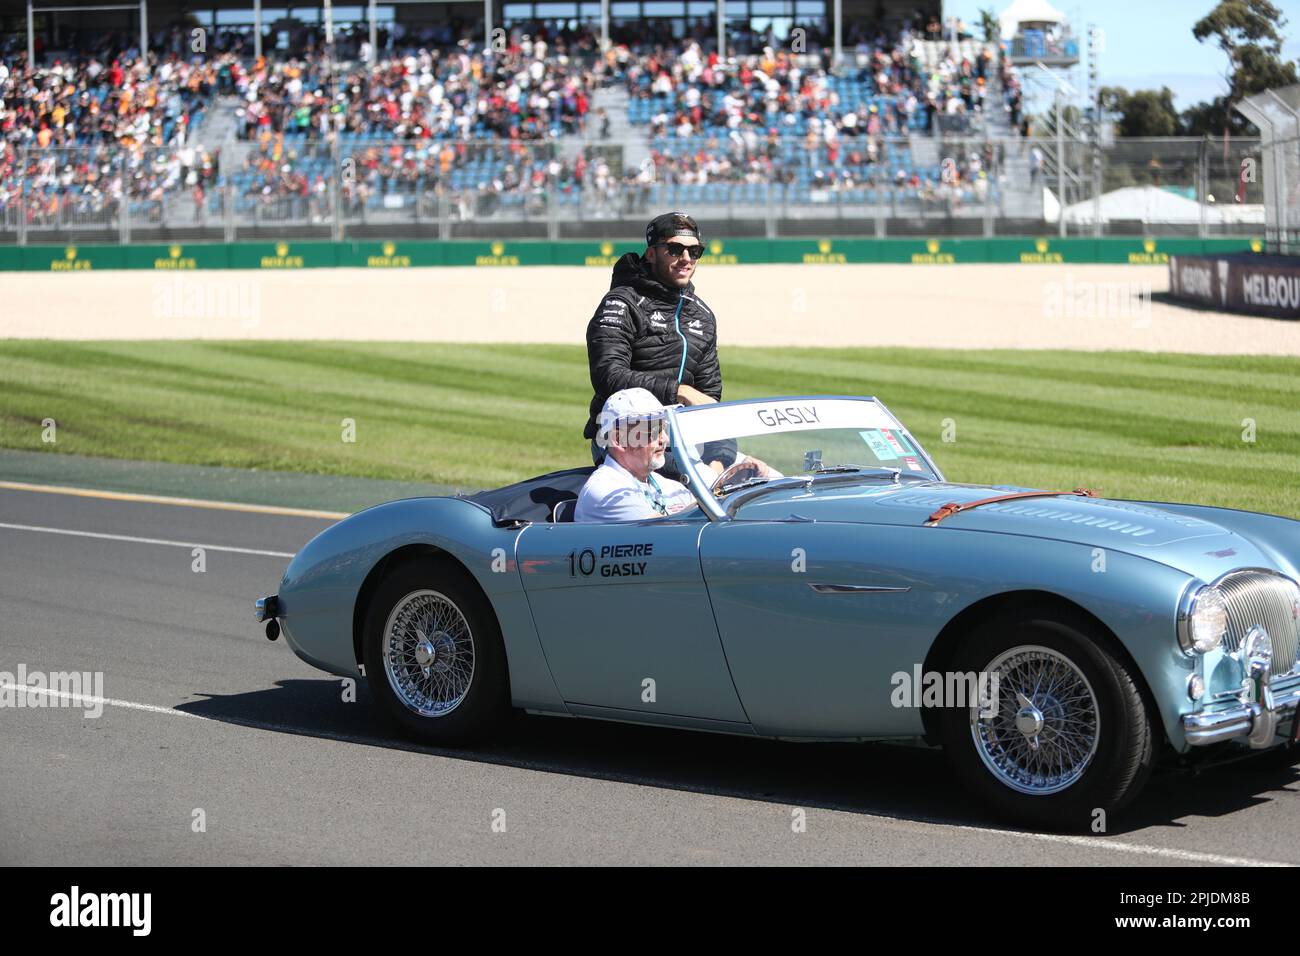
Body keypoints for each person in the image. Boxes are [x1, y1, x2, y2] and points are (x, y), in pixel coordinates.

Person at [583, 212, 724, 472]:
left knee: (763, 477)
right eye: (675, 249)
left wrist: (721, 459)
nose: (686, 259)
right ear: (651, 254)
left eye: (695, 251)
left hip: (680, 442)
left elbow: (710, 397)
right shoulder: (621, 302)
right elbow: (609, 375)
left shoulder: (702, 315)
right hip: (625, 439)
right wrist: (678, 391)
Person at [575, 388, 698, 523]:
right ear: (619, 439)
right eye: (654, 431)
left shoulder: (667, 485)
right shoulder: (606, 492)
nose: (665, 439)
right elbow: (668, 531)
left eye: (664, 428)